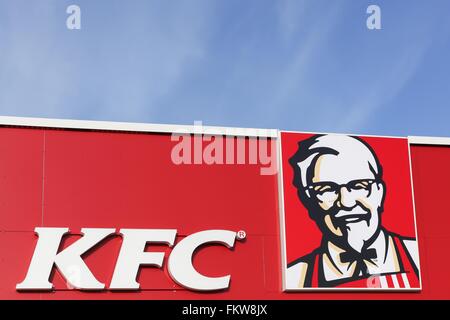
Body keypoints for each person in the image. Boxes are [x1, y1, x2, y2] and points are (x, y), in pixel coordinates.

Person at [286, 134, 420, 289]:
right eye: (327, 189)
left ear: (379, 192)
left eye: (358, 186)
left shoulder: (421, 258)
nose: (346, 202)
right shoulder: (295, 278)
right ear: (309, 201)